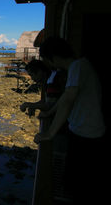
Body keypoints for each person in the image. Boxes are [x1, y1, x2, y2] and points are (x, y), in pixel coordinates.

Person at [34, 36, 106, 204]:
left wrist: (49, 133)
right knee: (73, 181)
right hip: (83, 130)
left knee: (79, 185)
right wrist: (49, 112)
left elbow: (68, 100)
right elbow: (65, 97)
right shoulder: (78, 67)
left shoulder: (78, 67)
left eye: (47, 60)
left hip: (87, 134)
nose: (48, 65)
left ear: (54, 57)